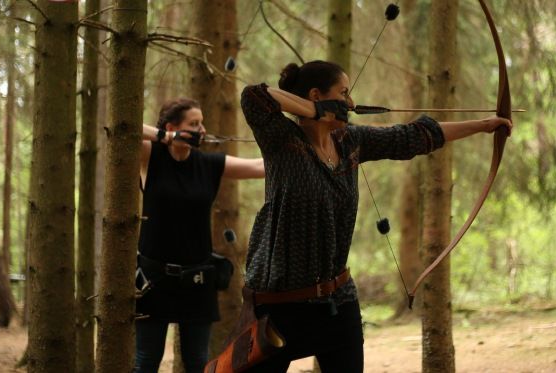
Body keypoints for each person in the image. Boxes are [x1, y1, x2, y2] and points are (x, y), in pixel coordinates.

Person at [238, 60, 512, 372]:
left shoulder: (350, 142)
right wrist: (316, 113)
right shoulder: (282, 140)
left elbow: (414, 135)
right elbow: (253, 96)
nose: (351, 103)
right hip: (279, 305)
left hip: (337, 302)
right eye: (343, 93)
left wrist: (485, 126)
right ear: (316, 95)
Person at [135, 98, 264, 373]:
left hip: (197, 278)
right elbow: (124, 125)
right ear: (172, 126)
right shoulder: (150, 156)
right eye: (194, 124)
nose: (202, 129)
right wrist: (166, 138)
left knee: (197, 362)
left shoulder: (208, 163)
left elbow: (259, 167)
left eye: (201, 123)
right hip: (153, 279)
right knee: (146, 361)